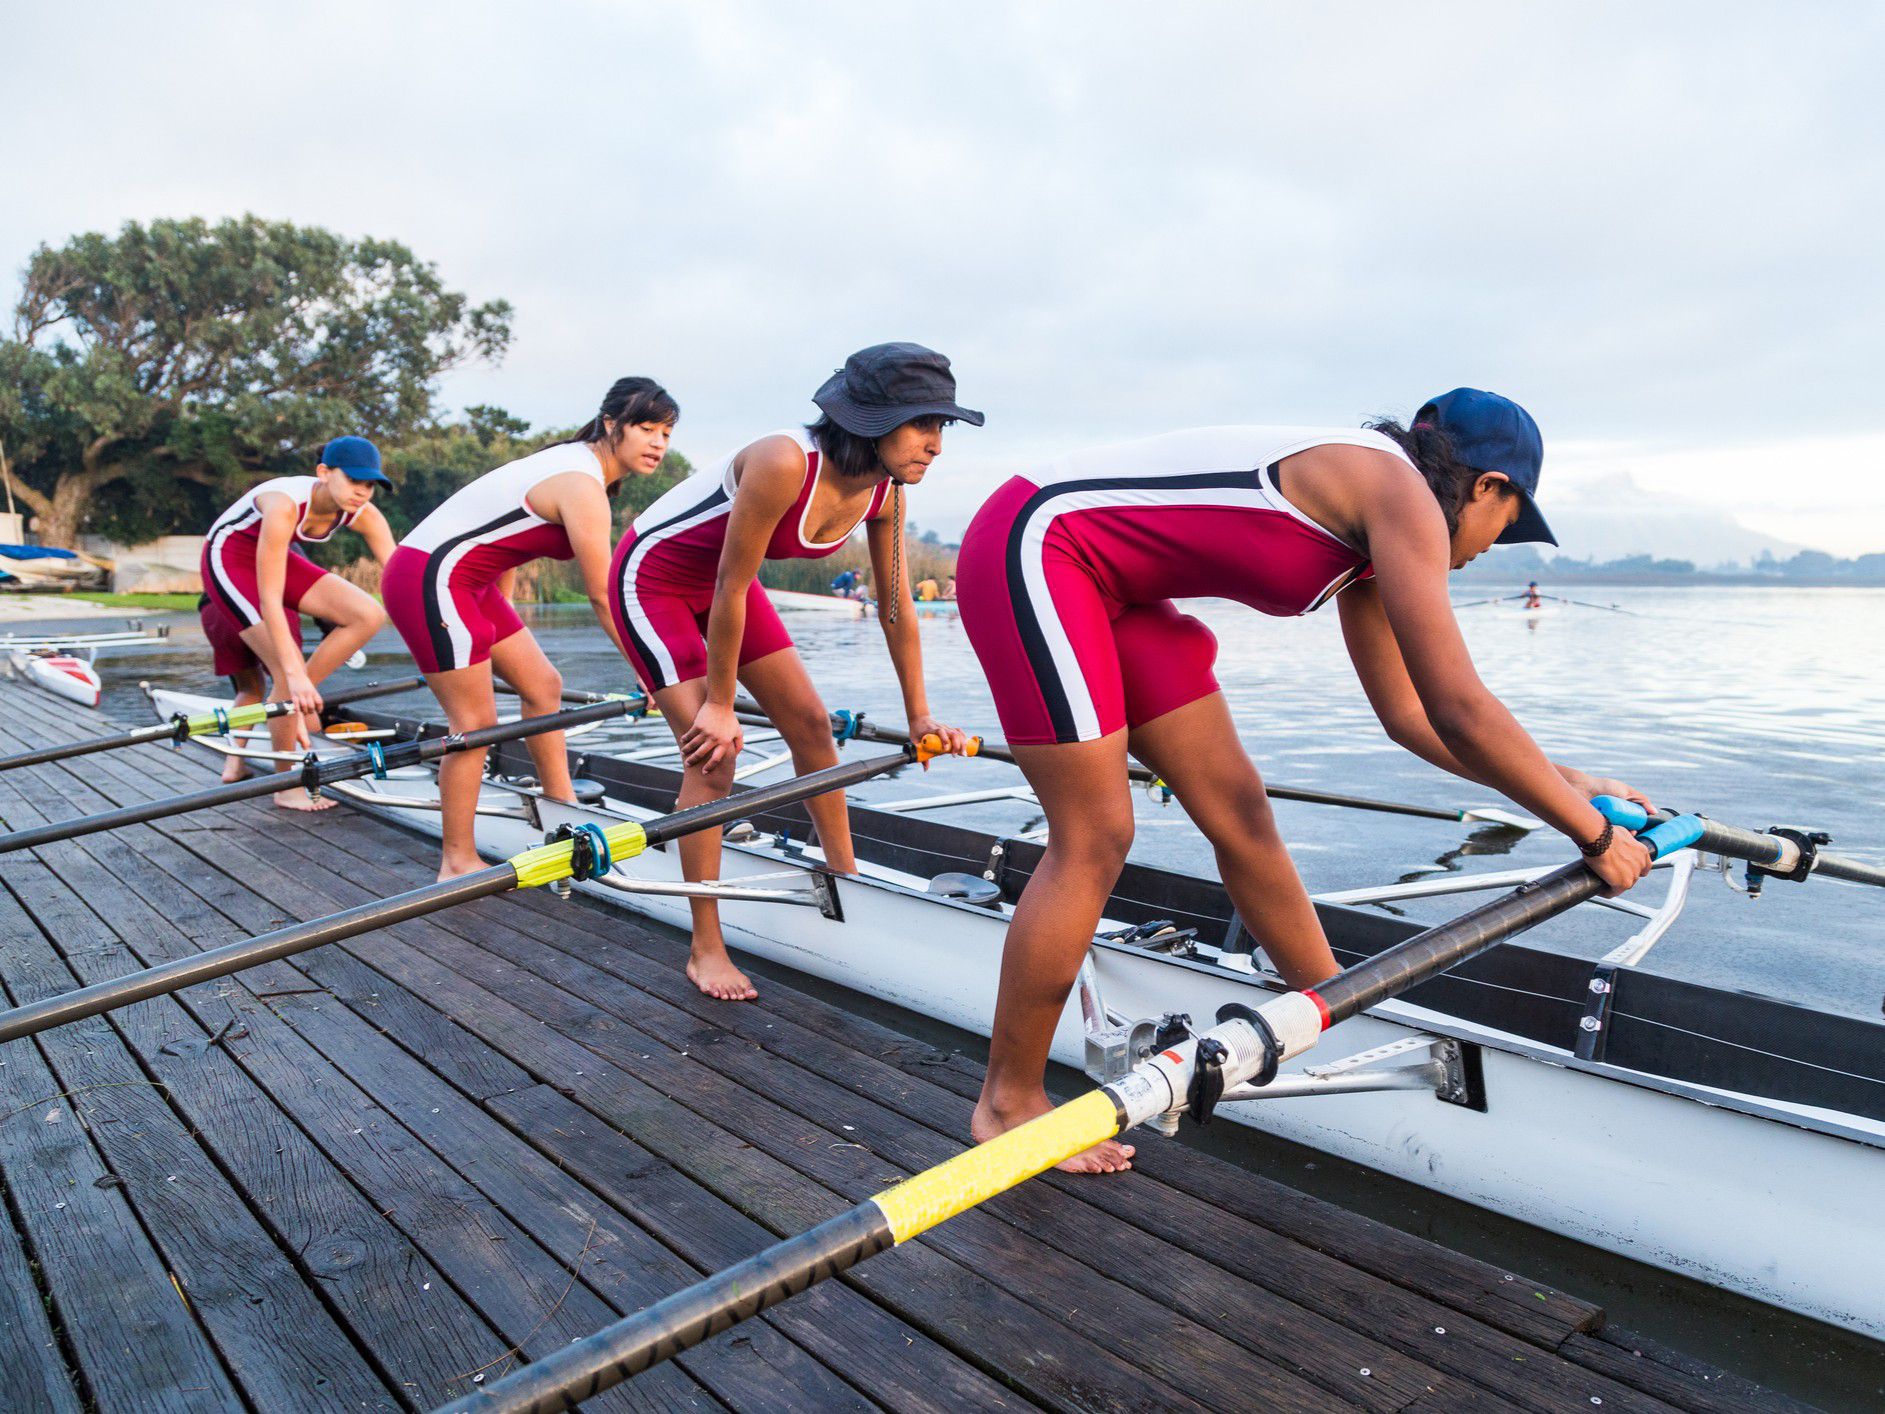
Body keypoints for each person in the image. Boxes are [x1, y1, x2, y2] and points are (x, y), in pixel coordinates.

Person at [955, 389, 1655, 1172]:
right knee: (1095, 833)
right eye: (1511, 520)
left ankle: (1330, 1012)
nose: (1498, 546)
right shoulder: (1400, 497)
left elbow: (1413, 718)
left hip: (1117, 592)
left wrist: (1568, 780)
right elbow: (1459, 707)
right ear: (1485, 486)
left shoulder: (1372, 538)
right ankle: (1007, 1102)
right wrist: (1589, 833)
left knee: (1242, 812)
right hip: (1037, 545)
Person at [609, 342, 979, 1000]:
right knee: (712, 755)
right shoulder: (784, 462)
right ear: (872, 419)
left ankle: (845, 880)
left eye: (941, 427)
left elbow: (893, 607)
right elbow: (730, 583)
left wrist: (920, 713)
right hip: (656, 579)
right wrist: (718, 705)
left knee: (811, 725)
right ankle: (705, 945)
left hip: (726, 588)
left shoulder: (886, 493)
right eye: (924, 425)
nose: (935, 446)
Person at [383, 377, 677, 878]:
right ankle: (455, 860)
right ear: (611, 424)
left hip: (469, 583)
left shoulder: (577, 467)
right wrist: (650, 673)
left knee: (544, 685)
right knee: (474, 724)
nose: (658, 443)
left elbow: (508, 537)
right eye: (646, 428)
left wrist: (504, 610)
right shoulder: (581, 482)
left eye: (667, 433)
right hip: (431, 578)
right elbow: (604, 594)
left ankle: (559, 804)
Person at [198, 436, 396, 808]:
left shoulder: (365, 514)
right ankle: (285, 785)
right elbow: (271, 598)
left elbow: (402, 577)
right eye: (354, 480)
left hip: (276, 561)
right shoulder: (285, 504)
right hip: (228, 558)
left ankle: (295, 697)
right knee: (287, 677)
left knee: (368, 614)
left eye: (369, 485)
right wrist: (293, 674)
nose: (362, 492)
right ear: (323, 473)